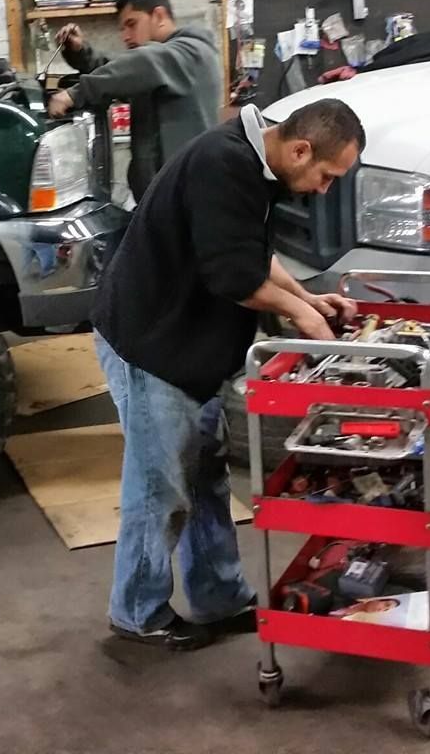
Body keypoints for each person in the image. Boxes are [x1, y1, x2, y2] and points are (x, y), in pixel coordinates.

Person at [93, 98, 365, 650]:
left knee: (205, 481)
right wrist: (303, 316)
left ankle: (218, 596)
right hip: (151, 346)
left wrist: (308, 297)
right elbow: (228, 275)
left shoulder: (258, 166)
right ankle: (136, 614)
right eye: (326, 176)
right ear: (300, 149)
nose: (323, 189)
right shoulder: (224, 164)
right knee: (160, 489)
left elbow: (249, 255)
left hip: (191, 349)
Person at [47, 0, 221, 203]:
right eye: (122, 28)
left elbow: (142, 63)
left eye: (131, 24)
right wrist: (81, 52)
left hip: (184, 200)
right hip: (160, 200)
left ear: (158, 16)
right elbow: (121, 71)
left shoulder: (192, 52)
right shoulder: (161, 68)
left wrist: (73, 94)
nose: (125, 36)